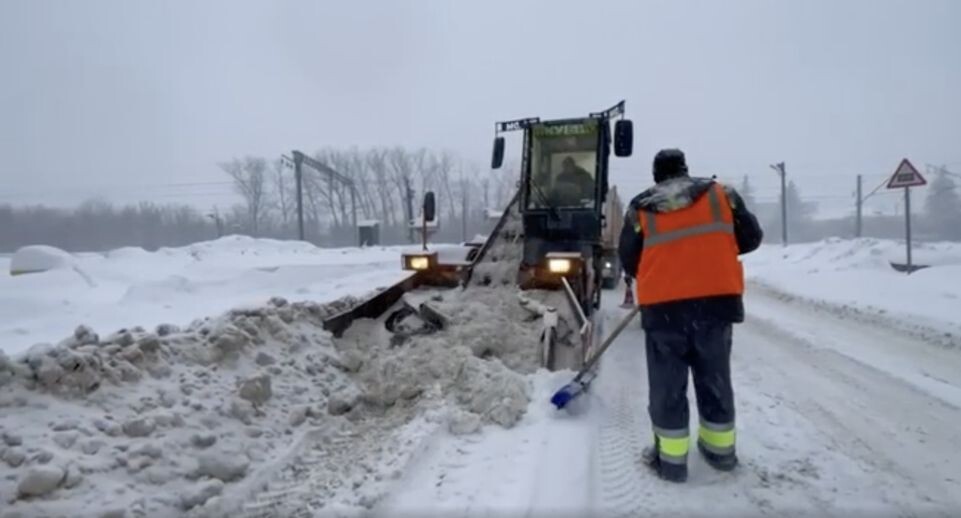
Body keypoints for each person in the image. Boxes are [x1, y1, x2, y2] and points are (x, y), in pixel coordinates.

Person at [618, 148, 763, 483]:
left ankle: (671, 463)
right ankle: (720, 453)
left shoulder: (641, 207)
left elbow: (629, 259)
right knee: (715, 379)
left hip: (664, 310)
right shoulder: (722, 195)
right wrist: (712, 251)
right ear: (685, 169)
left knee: (668, 386)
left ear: (656, 175)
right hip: (715, 304)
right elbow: (751, 238)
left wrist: (664, 267)